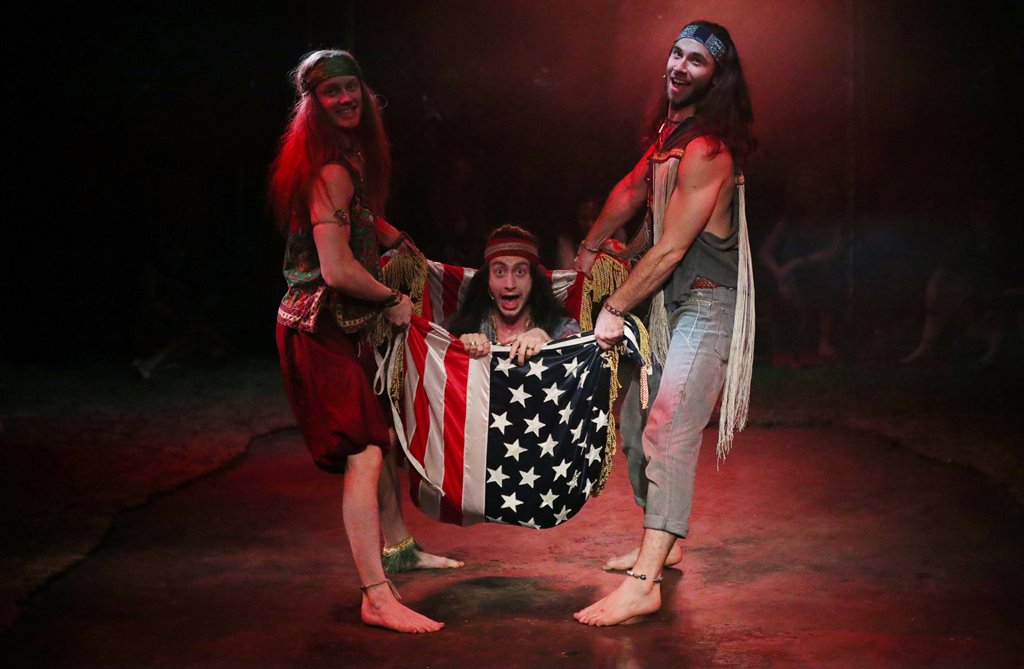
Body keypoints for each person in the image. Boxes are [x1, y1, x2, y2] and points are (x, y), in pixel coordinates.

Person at [572, 21, 755, 625]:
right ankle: (664, 541)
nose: (679, 66)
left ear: (716, 78)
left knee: (668, 429)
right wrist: (590, 248)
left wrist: (614, 306)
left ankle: (645, 582)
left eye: (696, 60)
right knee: (633, 425)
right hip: (667, 308)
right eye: (676, 53)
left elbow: (671, 248)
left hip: (704, 305)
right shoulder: (668, 139)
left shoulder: (707, 150)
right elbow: (631, 191)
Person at [269, 49, 449, 633]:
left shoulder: (348, 159)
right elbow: (338, 269)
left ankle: (398, 548)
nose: (346, 99)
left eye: (352, 87)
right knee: (365, 451)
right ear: (314, 105)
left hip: (343, 323)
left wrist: (396, 239)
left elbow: (360, 219)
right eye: (332, 92)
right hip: (320, 327)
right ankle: (375, 595)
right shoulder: (329, 170)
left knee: (382, 435)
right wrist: (393, 298)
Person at [447, 225, 580, 364]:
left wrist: (550, 345)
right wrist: (455, 348)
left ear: (533, 279)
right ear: (487, 279)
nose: (510, 284)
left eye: (520, 271)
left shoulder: (563, 329)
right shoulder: (456, 327)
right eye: (499, 272)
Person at [758, 167, 845, 365]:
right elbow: (765, 252)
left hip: (817, 272)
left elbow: (835, 250)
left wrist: (800, 263)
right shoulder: (790, 219)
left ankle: (823, 340)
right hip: (789, 276)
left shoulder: (830, 218)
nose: (807, 194)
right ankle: (779, 342)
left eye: (811, 189)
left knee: (829, 280)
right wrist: (778, 272)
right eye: (803, 189)